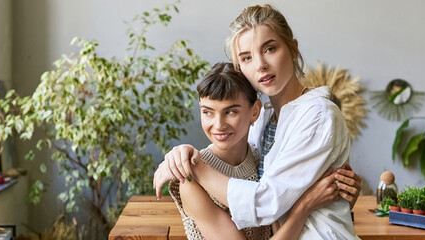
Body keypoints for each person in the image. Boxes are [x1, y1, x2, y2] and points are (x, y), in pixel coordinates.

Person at [154, 4, 362, 240]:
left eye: (270, 48)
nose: (260, 64)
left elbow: (266, 203)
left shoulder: (319, 115)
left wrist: (195, 167)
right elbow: (249, 171)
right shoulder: (263, 118)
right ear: (239, 67)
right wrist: (178, 155)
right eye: (247, 57)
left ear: (292, 48)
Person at [169, 62, 344, 239]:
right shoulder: (191, 180)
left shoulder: (261, 159)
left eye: (230, 112)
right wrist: (305, 205)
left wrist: (342, 192)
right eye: (208, 112)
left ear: (255, 111)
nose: (218, 125)